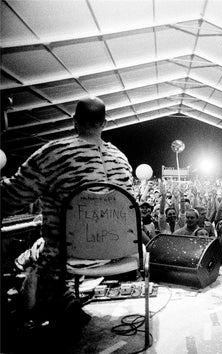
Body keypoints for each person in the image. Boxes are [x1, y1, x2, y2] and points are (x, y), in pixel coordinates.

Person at [0, 96, 133, 346]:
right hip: (115, 252)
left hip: (66, 255)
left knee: (27, 258)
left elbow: (9, 197)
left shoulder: (54, 153)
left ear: (74, 121)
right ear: (104, 123)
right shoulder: (121, 159)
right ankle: (66, 304)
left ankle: (36, 312)